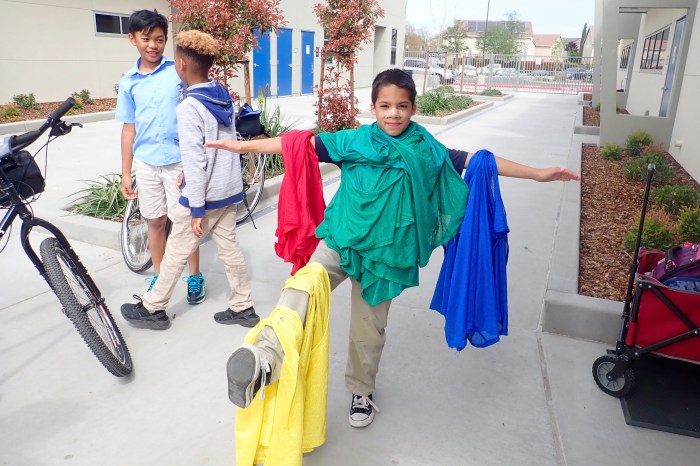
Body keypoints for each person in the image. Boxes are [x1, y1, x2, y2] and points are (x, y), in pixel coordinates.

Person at [206, 68, 580, 427]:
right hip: (341, 241)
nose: (393, 114)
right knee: (301, 289)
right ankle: (264, 357)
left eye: (402, 106)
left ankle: (361, 391)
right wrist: (241, 146)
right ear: (373, 107)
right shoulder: (354, 141)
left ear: (413, 108)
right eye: (385, 106)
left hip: (386, 258)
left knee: (368, 331)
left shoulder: (425, 148)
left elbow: (475, 161)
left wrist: (537, 173)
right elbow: (298, 144)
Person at [120, 29, 259, 330]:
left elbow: (196, 161)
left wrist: (196, 207)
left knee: (175, 252)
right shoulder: (221, 94)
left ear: (181, 65)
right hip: (228, 189)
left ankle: (153, 308)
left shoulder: (189, 107)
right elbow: (217, 146)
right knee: (230, 249)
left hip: (204, 195)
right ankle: (243, 306)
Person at [115, 9, 205, 304]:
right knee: (155, 221)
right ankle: (159, 274)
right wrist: (126, 173)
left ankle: (194, 276)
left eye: (159, 39)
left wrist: (195, 160)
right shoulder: (128, 82)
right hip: (147, 162)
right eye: (146, 39)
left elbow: (197, 109)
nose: (153, 45)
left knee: (185, 222)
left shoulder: (178, 71)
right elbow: (129, 128)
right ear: (132, 39)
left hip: (179, 161)